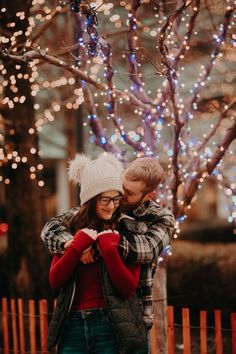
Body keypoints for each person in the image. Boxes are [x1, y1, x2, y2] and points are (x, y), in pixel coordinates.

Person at [41, 155, 175, 354]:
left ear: (148, 195)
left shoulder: (154, 220)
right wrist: (73, 245)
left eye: (125, 194)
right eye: (118, 189)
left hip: (127, 318)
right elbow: (50, 229)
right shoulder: (82, 219)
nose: (116, 202)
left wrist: (102, 246)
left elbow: (145, 250)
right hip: (73, 323)